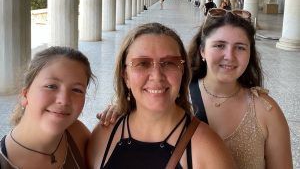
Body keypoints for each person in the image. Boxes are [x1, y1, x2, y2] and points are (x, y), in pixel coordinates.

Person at [88, 22, 235, 169]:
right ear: (125, 76)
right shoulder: (103, 135)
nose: (157, 76)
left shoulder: (207, 148)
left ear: (182, 73)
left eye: (169, 63)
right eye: (142, 63)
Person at [188, 8, 292, 169]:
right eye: (219, 45)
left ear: (250, 54)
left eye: (240, 47)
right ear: (203, 51)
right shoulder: (179, 99)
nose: (229, 56)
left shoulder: (266, 110)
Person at [0, 46, 95, 169]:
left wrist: (118, 116)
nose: (64, 100)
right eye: (51, 86)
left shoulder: (77, 133)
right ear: (25, 94)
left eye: (77, 90)